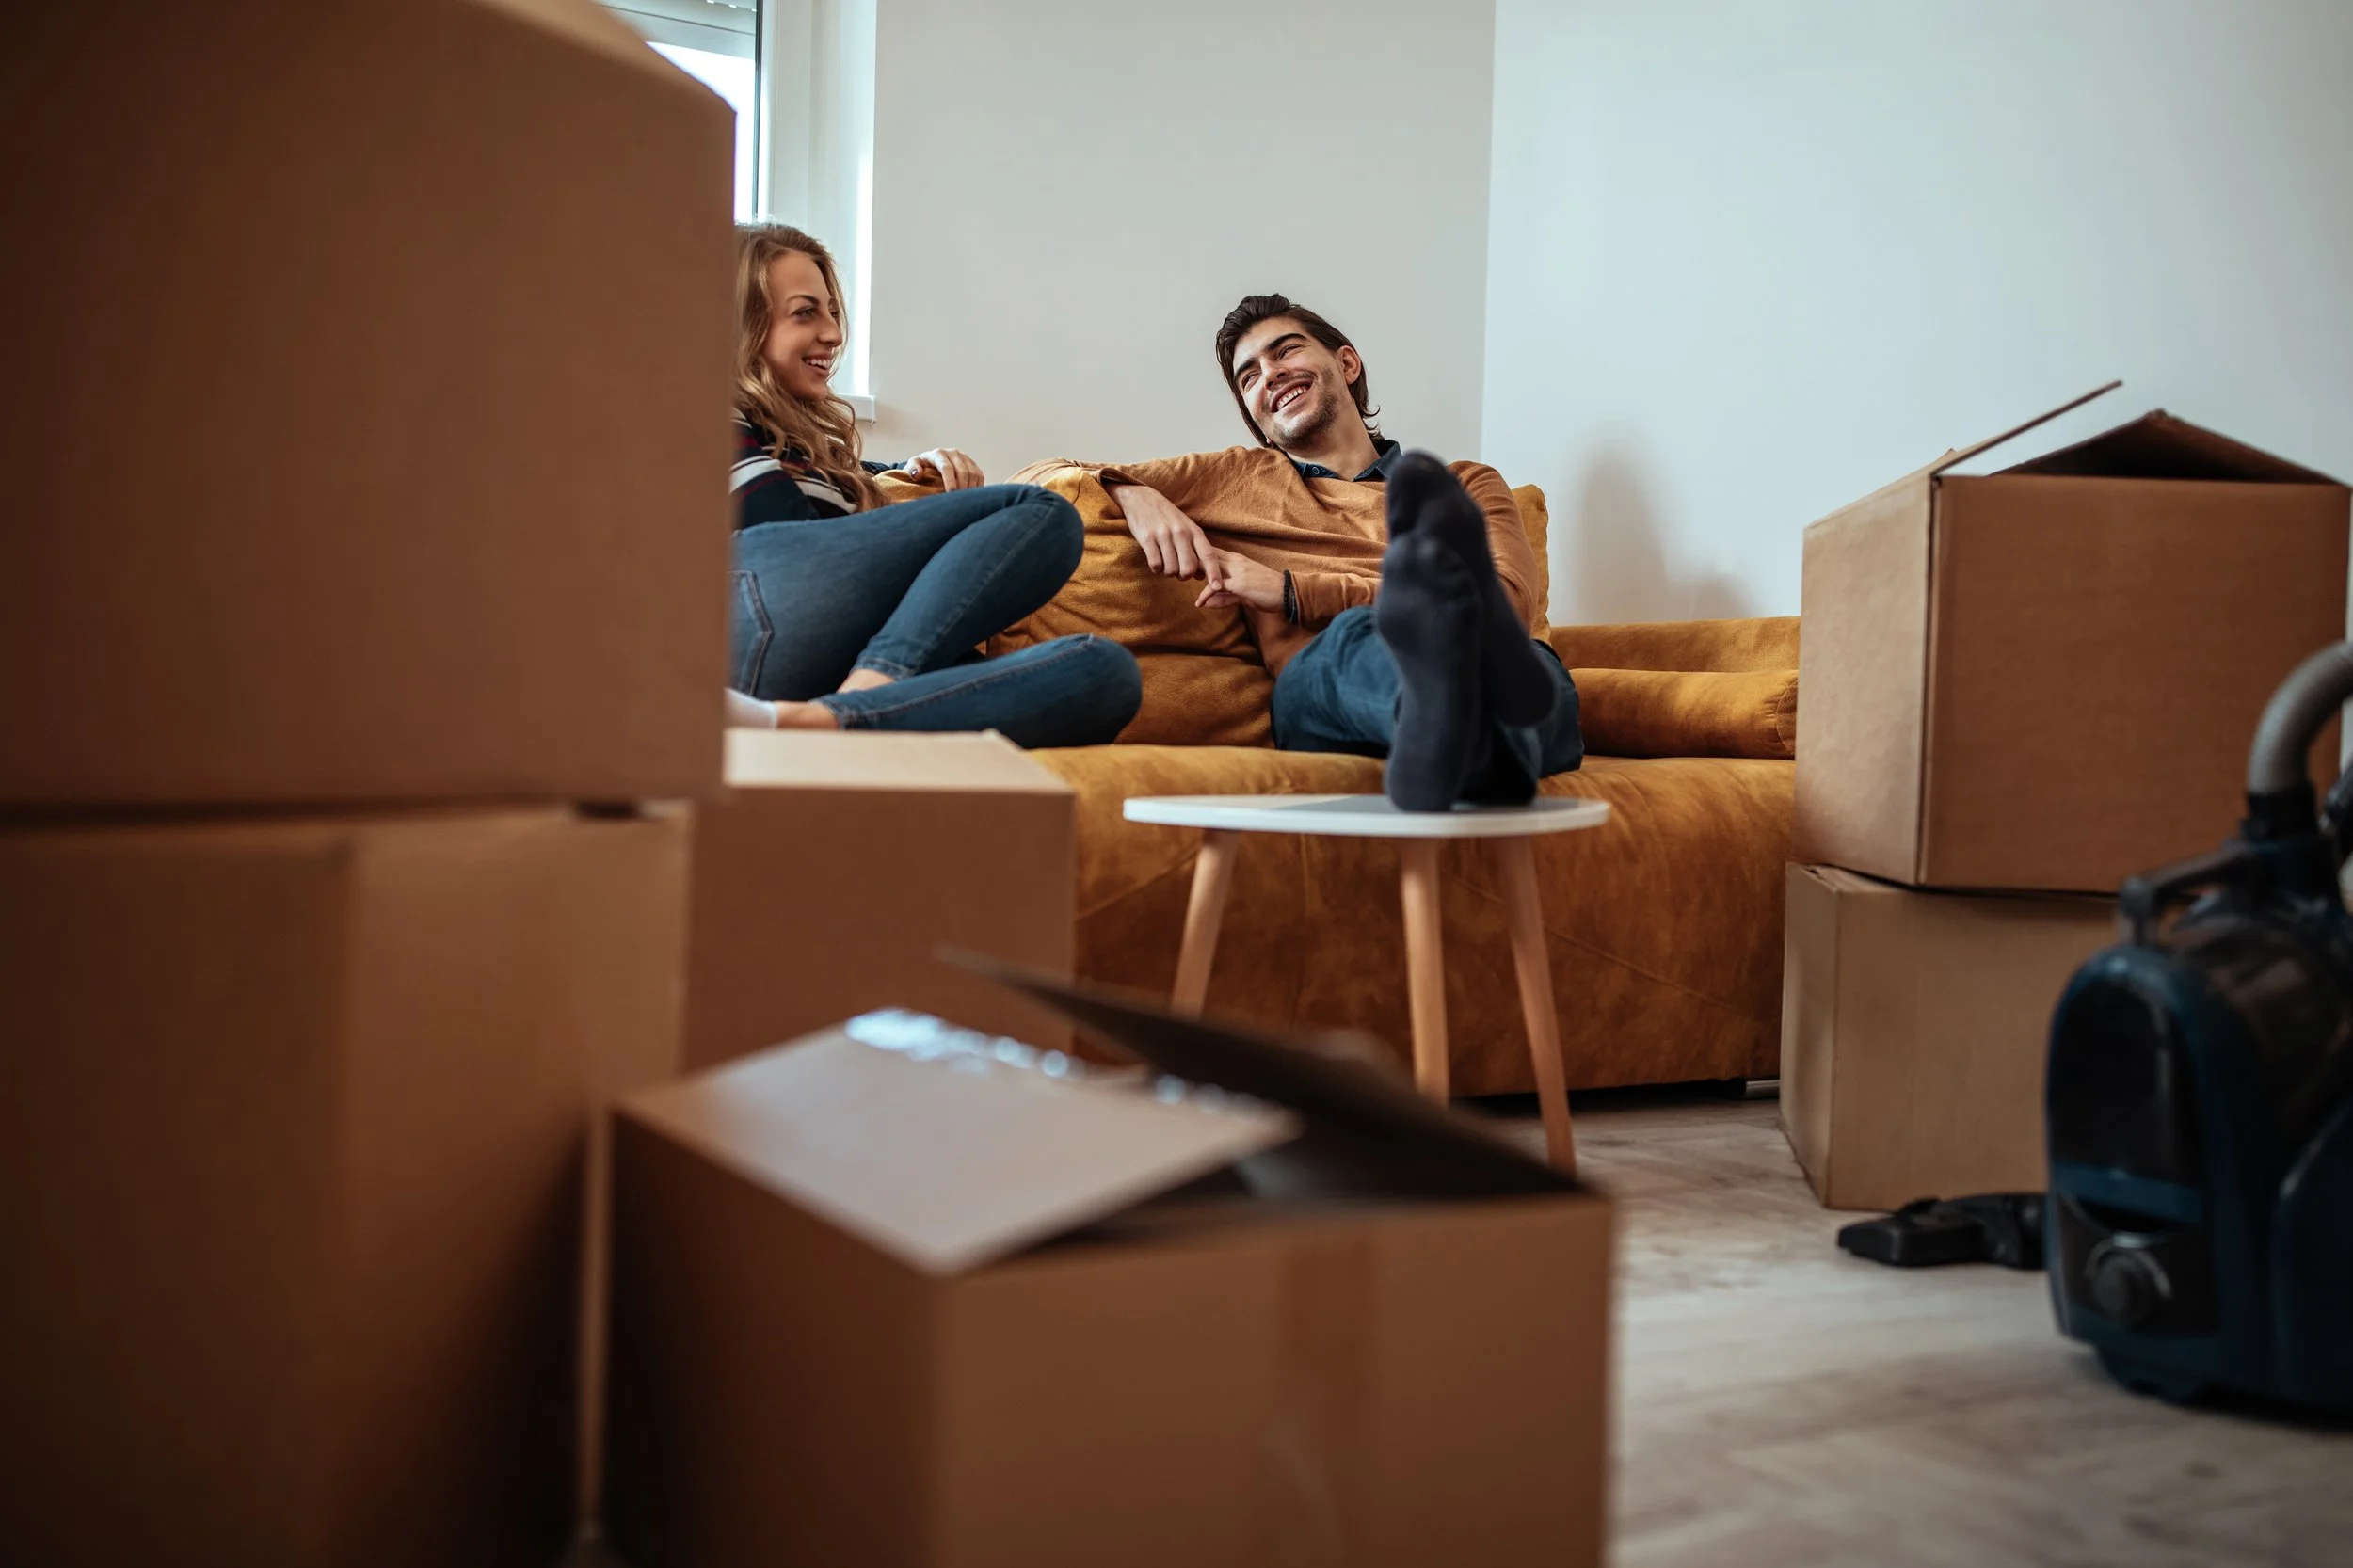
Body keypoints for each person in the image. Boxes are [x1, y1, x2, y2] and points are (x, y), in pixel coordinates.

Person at [1077, 294, 1580, 808]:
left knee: (1534, 663)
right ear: (1254, 413)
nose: (1268, 374)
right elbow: (1045, 481)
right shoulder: (1237, 476)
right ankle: (1478, 727)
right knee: (1362, 640)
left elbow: (1511, 604)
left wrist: (1292, 591)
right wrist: (1127, 491)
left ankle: (1472, 749)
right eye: (1248, 377)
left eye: (1285, 351)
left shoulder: (1463, 485)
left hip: (1482, 654)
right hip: (1326, 681)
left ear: (1346, 362)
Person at [724, 225, 1140, 746]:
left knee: (1101, 672)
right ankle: (863, 699)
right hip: (753, 615)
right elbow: (787, 530)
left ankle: (828, 723)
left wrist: (904, 467)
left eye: (831, 312)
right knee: (1039, 513)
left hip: (808, 673)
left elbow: (834, 522)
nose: (833, 334)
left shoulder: (807, 455)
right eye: (805, 312)